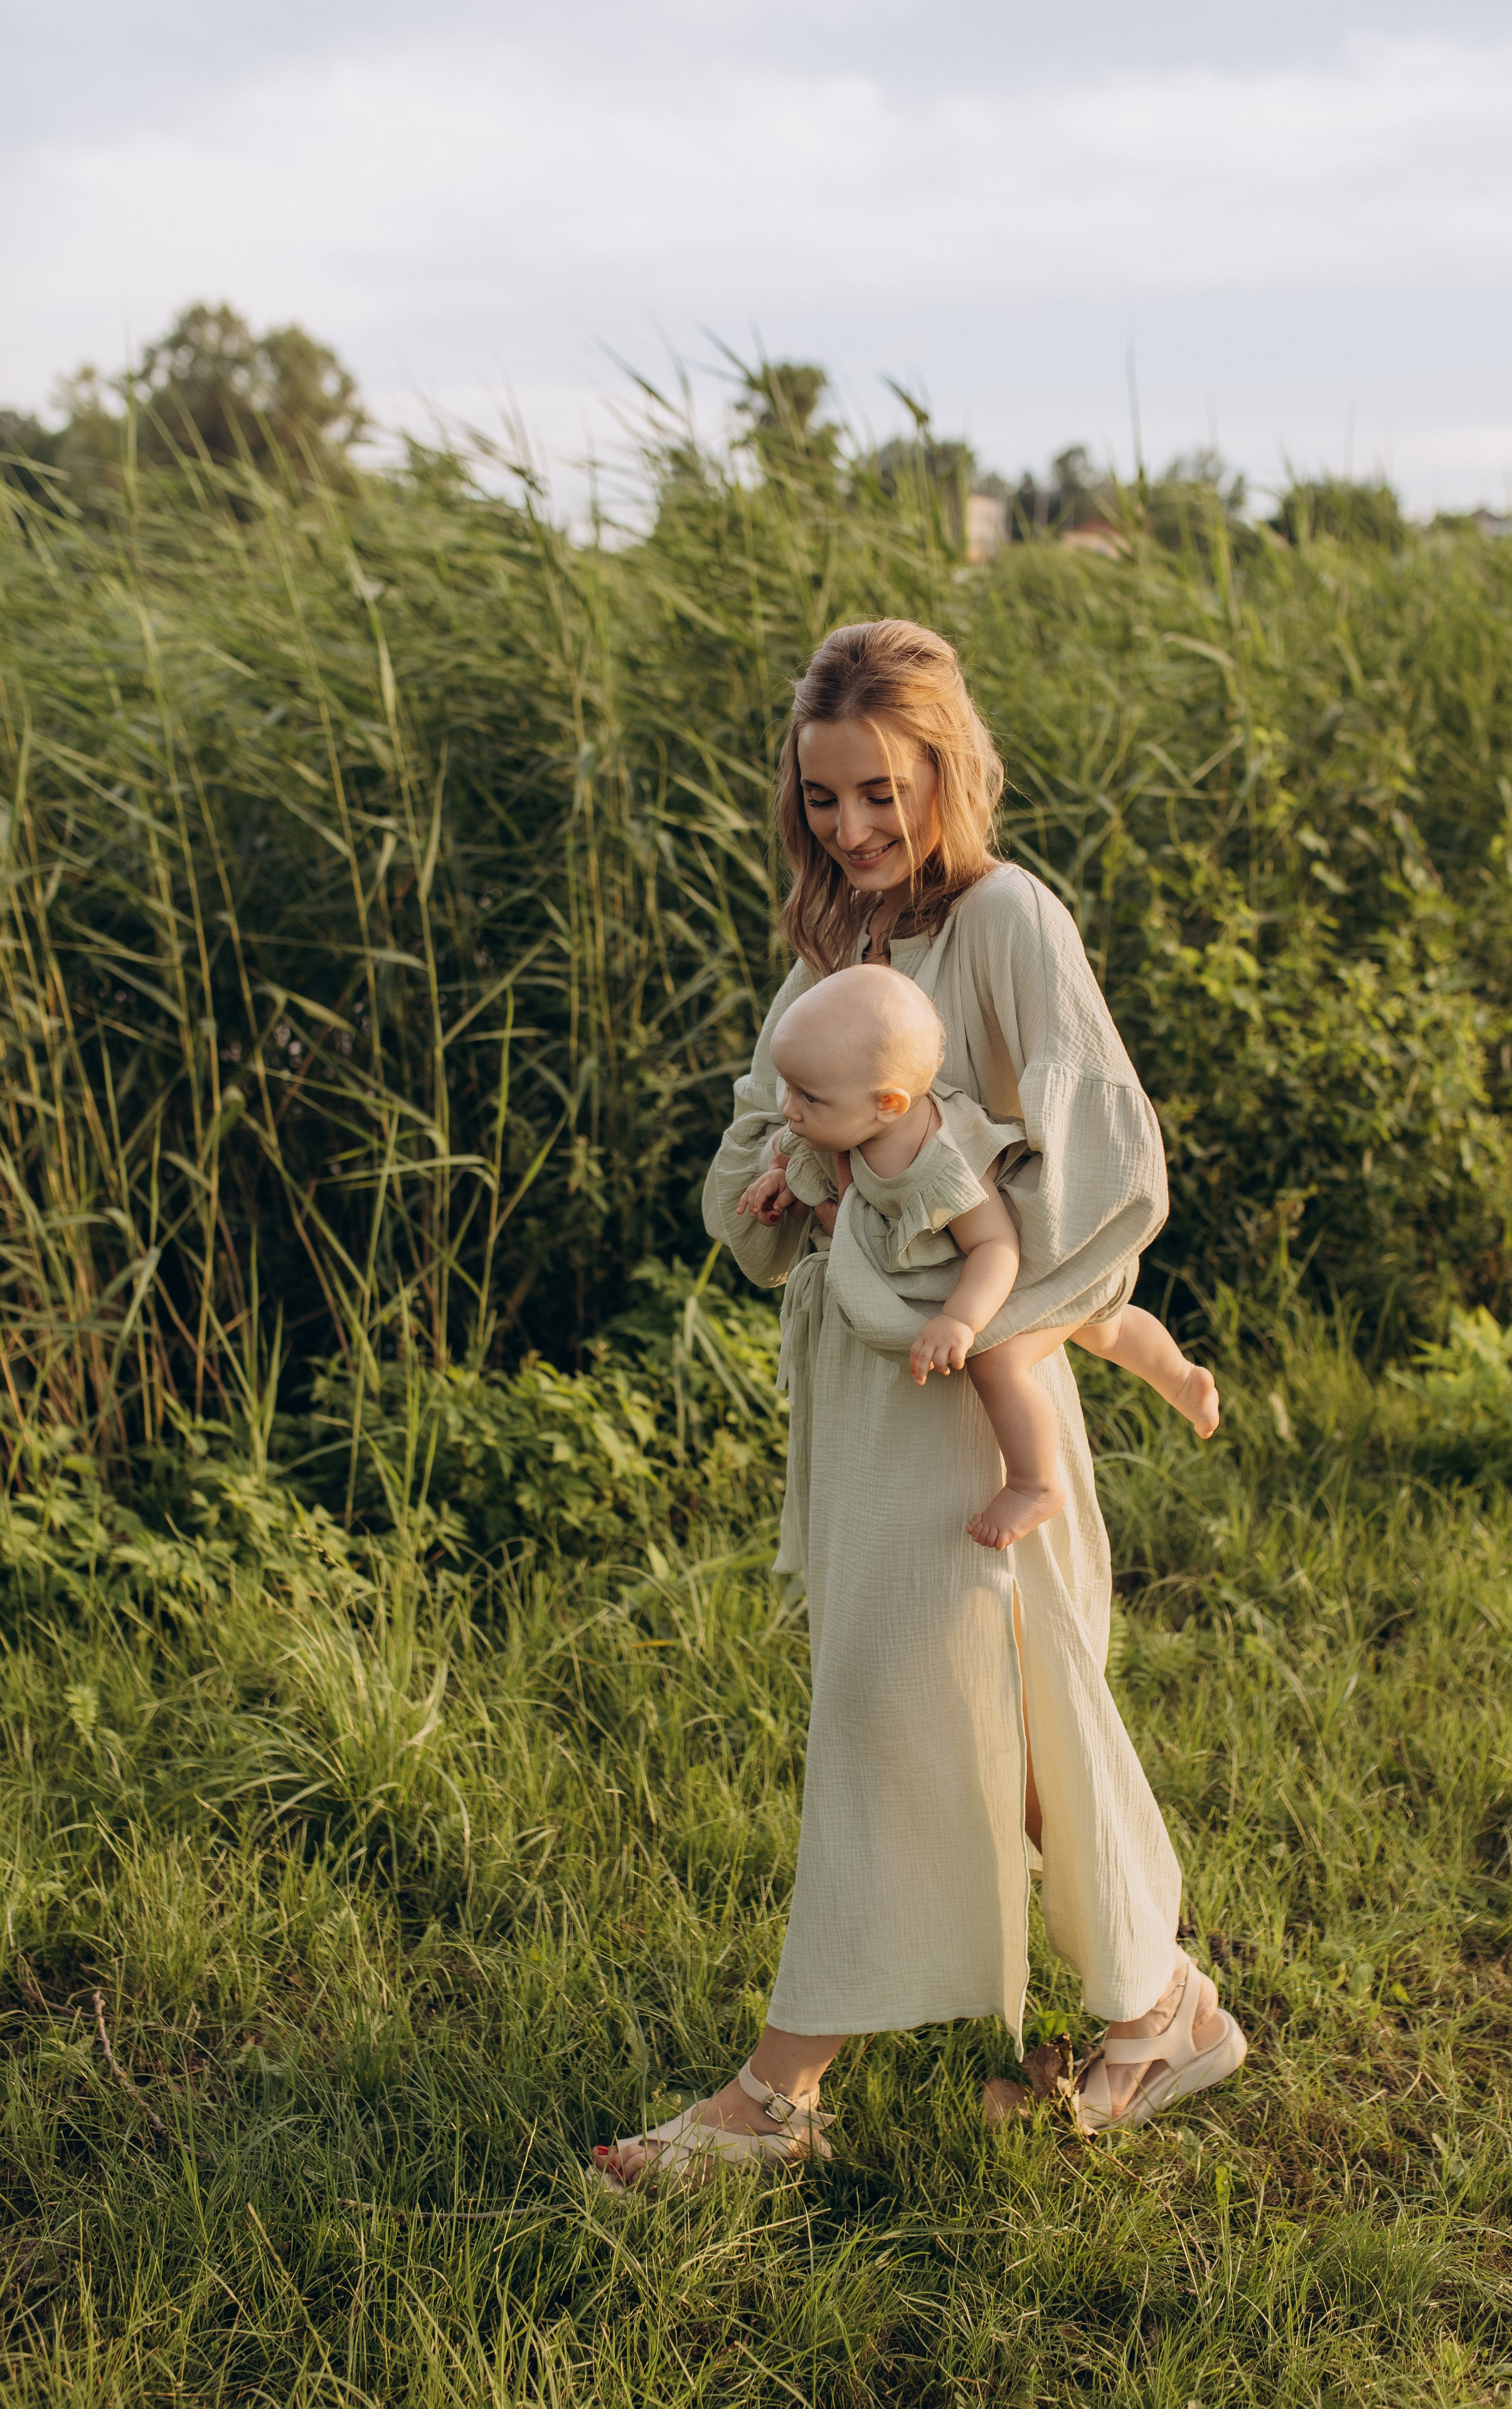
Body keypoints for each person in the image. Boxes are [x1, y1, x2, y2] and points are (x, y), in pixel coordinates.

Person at [590, 618, 1246, 2193]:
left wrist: (983, 1315)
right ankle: (1160, 2005)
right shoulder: (828, 956)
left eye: (880, 791)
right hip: (855, 1396)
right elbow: (743, 1179)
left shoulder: (1006, 917)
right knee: (996, 1718)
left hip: (964, 1392)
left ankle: (772, 2094)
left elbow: (1109, 1166)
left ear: (945, 768)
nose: (852, 829)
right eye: (821, 799)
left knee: (897, 1714)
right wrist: (783, 1191)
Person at [735, 962, 1220, 1553]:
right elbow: (802, 1147)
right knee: (1105, 1328)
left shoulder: (939, 1166)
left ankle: (1036, 1484)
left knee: (1004, 1359)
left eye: (807, 1096)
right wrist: (779, 1180)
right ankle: (1184, 1381)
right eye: (789, 1087)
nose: (790, 1107)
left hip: (1033, 1258)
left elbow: (996, 1248)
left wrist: (958, 1321)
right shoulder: (840, 1113)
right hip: (992, 1259)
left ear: (887, 1104)